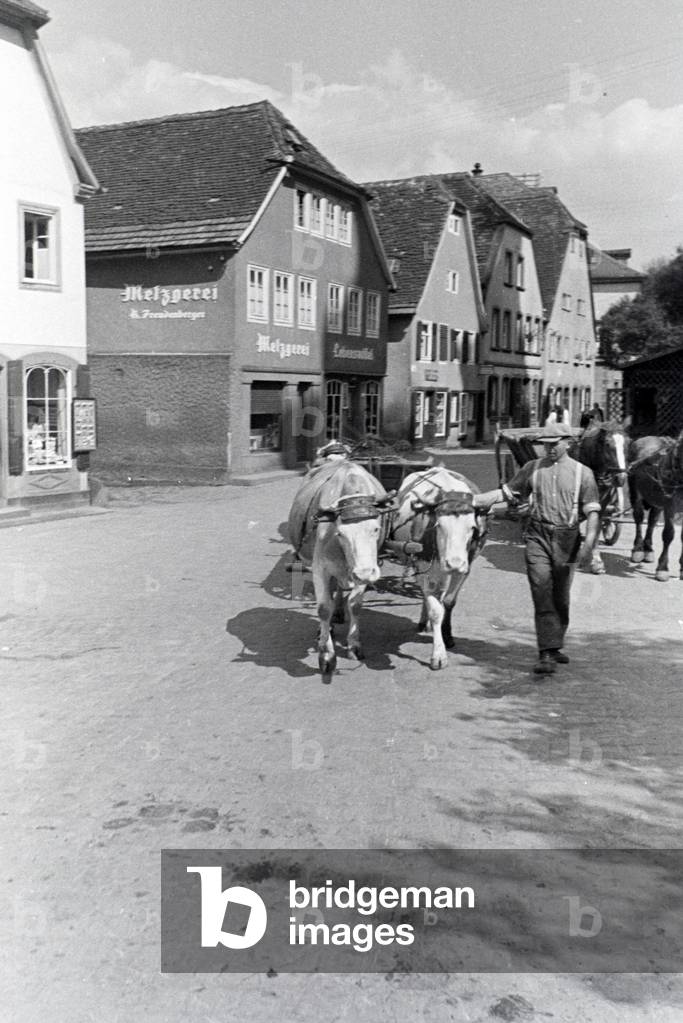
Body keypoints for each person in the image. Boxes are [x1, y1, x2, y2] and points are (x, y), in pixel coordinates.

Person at [474, 422, 600, 675]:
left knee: (561, 596)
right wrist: (474, 499)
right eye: (545, 445)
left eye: (554, 444)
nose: (550, 449)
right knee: (541, 588)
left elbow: (593, 513)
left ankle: (554, 645)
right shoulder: (532, 469)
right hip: (537, 535)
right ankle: (546, 653)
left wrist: (589, 544)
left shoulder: (583, 474)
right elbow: (507, 493)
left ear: (568, 443)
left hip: (567, 537)